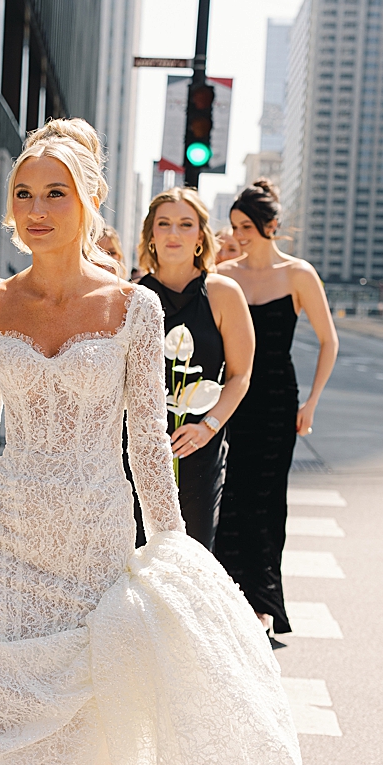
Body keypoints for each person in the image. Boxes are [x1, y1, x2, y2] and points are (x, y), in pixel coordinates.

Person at [0, 120, 312, 765]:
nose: (37, 210)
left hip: (95, 546)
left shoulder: (135, 309)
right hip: (5, 545)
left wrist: (170, 554)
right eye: (24, 195)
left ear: (90, 201)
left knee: (84, 742)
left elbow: (148, 447)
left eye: (56, 194)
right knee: (0, 740)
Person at [215, 179, 338, 644]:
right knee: (227, 498)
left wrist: (311, 401)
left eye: (246, 226)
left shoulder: (298, 275)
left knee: (266, 502)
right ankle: (227, 597)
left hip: (276, 401)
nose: (239, 235)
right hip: (231, 396)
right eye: (234, 227)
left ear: (269, 226)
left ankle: (263, 606)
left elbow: (329, 341)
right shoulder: (226, 273)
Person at [137, 187, 255, 550]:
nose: (174, 233)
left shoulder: (223, 293)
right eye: (164, 224)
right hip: (141, 448)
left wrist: (208, 427)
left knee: (193, 553)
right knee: (138, 556)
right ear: (151, 236)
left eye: (185, 224)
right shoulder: (132, 295)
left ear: (201, 237)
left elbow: (240, 375)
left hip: (199, 446)